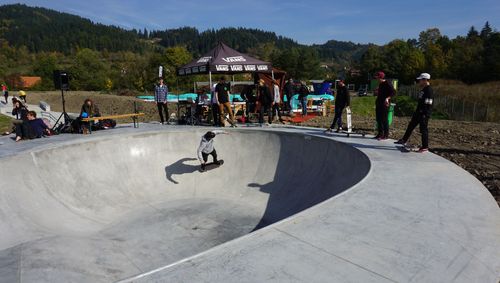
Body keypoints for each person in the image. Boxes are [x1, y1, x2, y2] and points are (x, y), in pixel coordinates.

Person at [395, 73, 434, 153]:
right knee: (411, 125)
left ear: (425, 80)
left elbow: (429, 103)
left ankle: (425, 146)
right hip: (418, 112)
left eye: (420, 80)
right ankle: (404, 140)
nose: (419, 82)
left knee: (423, 130)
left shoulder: (429, 90)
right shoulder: (423, 89)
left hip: (423, 114)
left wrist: (425, 114)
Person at [374, 71, 395, 140]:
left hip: (385, 104)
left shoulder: (387, 83)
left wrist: (388, 98)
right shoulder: (380, 84)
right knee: (378, 119)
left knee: (384, 119)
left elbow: (393, 92)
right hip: (379, 103)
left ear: (381, 77)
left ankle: (386, 135)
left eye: (377, 77)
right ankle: (380, 133)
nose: (376, 79)